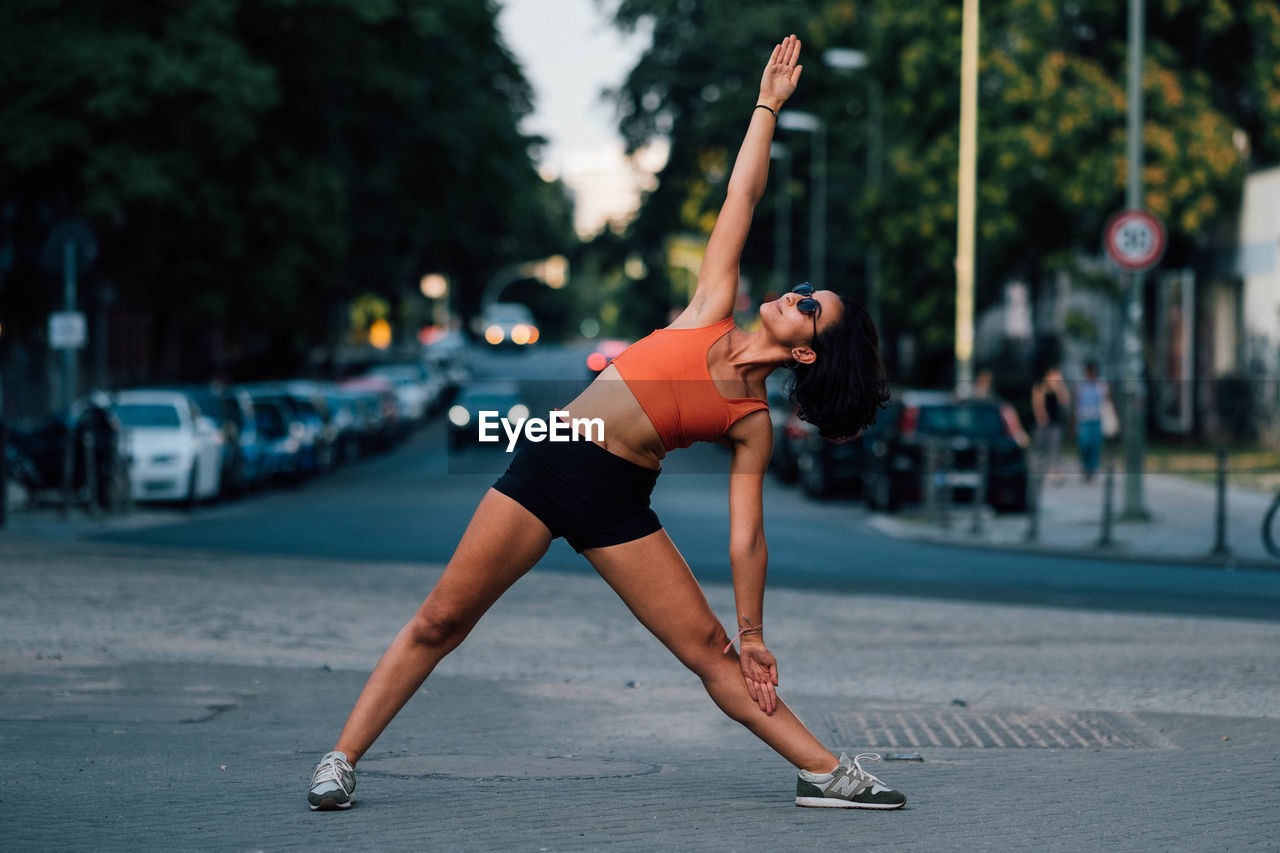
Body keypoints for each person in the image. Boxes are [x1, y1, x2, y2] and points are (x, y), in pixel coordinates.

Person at [306, 35, 903, 812]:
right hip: (554, 456)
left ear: (812, 352)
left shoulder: (751, 421)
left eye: (809, 305)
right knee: (442, 618)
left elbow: (746, 536)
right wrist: (766, 105)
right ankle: (342, 758)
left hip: (618, 500)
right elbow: (742, 198)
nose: (796, 293)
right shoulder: (708, 309)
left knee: (714, 654)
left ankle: (828, 772)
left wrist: (752, 631)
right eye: (802, 289)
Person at [1073, 360, 1112, 481]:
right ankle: (1085, 465)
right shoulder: (1080, 385)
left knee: (1096, 445)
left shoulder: (1101, 385)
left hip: (1097, 418)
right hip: (1084, 419)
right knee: (1085, 444)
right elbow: (1076, 403)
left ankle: (1092, 468)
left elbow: (1107, 401)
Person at [1031, 365, 1070, 485]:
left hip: (1055, 423)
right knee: (1041, 447)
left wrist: (1059, 387)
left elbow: (1065, 401)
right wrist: (1040, 416)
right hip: (1043, 423)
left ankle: (1055, 472)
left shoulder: (1059, 389)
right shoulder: (1040, 388)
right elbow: (1037, 404)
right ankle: (1039, 469)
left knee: (1055, 448)